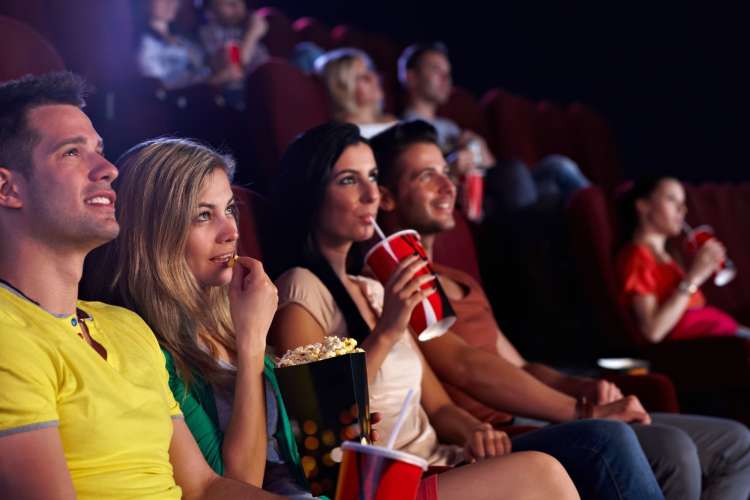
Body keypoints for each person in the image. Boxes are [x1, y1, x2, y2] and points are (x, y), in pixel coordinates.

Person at [264, 121, 663, 500]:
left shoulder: (374, 290)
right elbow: (322, 430)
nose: (370, 194)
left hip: (441, 459)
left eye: (372, 176)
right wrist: (386, 332)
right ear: (311, 194)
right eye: (349, 180)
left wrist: (473, 430)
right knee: (545, 471)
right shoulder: (299, 289)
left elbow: (437, 407)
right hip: (385, 483)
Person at [370, 120, 750, 500]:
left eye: (446, 172)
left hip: (533, 412)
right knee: (673, 450)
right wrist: (581, 412)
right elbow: (466, 366)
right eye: (425, 176)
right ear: (385, 197)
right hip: (496, 432)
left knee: (737, 441)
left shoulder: (457, 276)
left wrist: (581, 389)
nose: (447, 185)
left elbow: (519, 365)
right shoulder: (391, 285)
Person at [0, 72, 281, 499]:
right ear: (7, 188)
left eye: (100, 150)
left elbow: (206, 488)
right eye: (72, 152)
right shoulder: (8, 334)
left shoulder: (126, 327)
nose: (108, 169)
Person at [85, 137, 317, 497]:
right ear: (156, 234)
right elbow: (237, 484)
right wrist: (252, 341)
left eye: (229, 210)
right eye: (204, 216)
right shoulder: (145, 347)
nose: (231, 232)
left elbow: (278, 453)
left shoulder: (228, 316)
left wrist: (335, 436)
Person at [398, 42, 590, 213]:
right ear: (411, 77)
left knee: (557, 168)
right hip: (478, 197)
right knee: (519, 174)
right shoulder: (404, 127)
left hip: (499, 187)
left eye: (447, 72)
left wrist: (478, 146)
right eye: (435, 69)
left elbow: (491, 165)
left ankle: (601, 216)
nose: (445, 78)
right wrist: (453, 164)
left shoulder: (450, 126)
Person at [616, 176, 750, 342]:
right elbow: (653, 331)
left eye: (683, 201)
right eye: (671, 199)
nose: (682, 208)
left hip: (731, 334)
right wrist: (695, 277)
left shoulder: (666, 257)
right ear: (643, 205)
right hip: (721, 347)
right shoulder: (638, 257)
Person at [137, 0, 243, 91]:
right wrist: (214, 80)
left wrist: (217, 61)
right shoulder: (146, 48)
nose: (171, 2)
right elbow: (161, 88)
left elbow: (203, 67)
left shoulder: (184, 39)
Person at [315, 48, 397, 138]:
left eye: (371, 71)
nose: (373, 78)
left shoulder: (391, 120)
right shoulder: (345, 135)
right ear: (342, 88)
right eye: (362, 77)